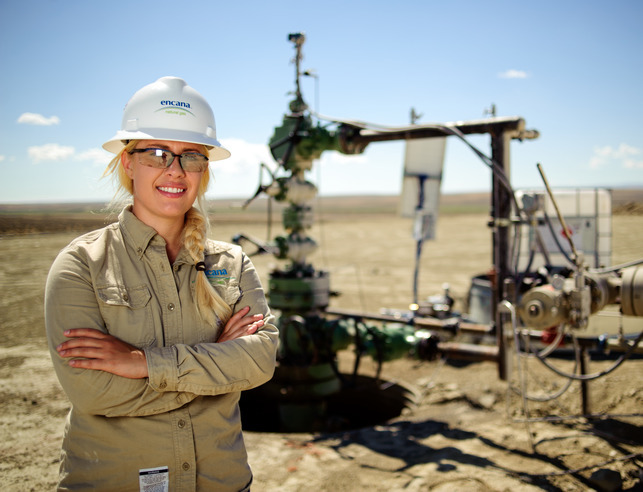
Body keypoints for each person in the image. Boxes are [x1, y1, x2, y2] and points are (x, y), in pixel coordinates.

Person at [45, 76, 279, 491]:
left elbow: (259, 361)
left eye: (191, 156)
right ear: (127, 163)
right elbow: (94, 393)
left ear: (204, 170)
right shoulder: (81, 264)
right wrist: (218, 368)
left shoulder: (230, 263)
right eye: (156, 153)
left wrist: (143, 365)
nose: (175, 170)